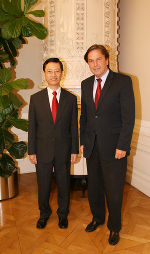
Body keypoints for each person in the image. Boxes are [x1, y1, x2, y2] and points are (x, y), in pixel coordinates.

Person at [80, 45, 135, 245]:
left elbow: (129, 118)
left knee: (114, 190)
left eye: (98, 59)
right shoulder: (85, 84)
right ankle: (97, 218)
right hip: (92, 146)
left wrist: (123, 145)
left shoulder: (122, 81)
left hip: (114, 148)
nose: (95, 64)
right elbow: (85, 116)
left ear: (107, 60)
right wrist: (83, 141)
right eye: (91, 60)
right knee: (94, 187)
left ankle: (114, 227)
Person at [28, 58, 79, 229]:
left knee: (64, 185)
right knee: (43, 186)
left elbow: (74, 127)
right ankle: (44, 214)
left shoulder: (71, 99)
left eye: (57, 70)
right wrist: (31, 151)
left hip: (64, 150)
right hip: (42, 151)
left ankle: (63, 215)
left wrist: (74, 150)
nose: (53, 74)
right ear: (44, 73)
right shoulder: (35, 99)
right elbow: (32, 127)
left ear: (62, 73)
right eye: (50, 71)